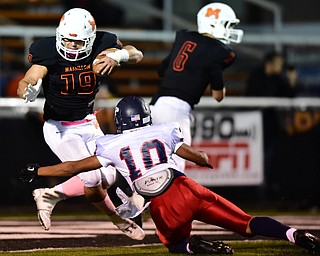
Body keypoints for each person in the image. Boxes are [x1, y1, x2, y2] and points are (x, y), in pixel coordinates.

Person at [19, 96, 320, 255]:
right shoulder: (164, 130)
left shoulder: (109, 143)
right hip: (188, 188)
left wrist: (38, 171)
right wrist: (204, 160)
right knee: (247, 223)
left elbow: (73, 168)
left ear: (122, 121)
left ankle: (195, 246)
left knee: (176, 246)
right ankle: (294, 235)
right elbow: (196, 156)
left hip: (162, 203)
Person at [16, 8, 145, 240]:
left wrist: (119, 56)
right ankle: (117, 220)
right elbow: (30, 75)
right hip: (60, 127)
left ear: (90, 39)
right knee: (94, 179)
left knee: (112, 172)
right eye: (67, 41)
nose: (72, 47)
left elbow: (136, 54)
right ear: (58, 36)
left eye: (78, 43)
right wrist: (29, 87)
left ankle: (51, 194)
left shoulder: (103, 42)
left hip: (88, 121)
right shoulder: (45, 50)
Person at [149, 2, 243, 172]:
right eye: (228, 26)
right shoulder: (219, 50)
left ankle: (137, 198)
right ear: (215, 24)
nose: (230, 30)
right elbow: (218, 96)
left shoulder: (185, 37)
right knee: (175, 168)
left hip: (155, 105)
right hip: (177, 110)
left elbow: (161, 70)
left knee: (151, 164)